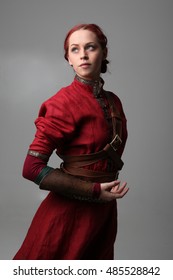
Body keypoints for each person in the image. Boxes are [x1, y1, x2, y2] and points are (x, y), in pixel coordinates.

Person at [13, 23, 129, 260]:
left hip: (103, 215)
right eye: (75, 50)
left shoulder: (114, 102)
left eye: (90, 47)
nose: (83, 55)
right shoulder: (62, 103)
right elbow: (31, 168)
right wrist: (93, 190)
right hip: (68, 215)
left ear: (103, 52)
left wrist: (101, 195)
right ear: (68, 59)